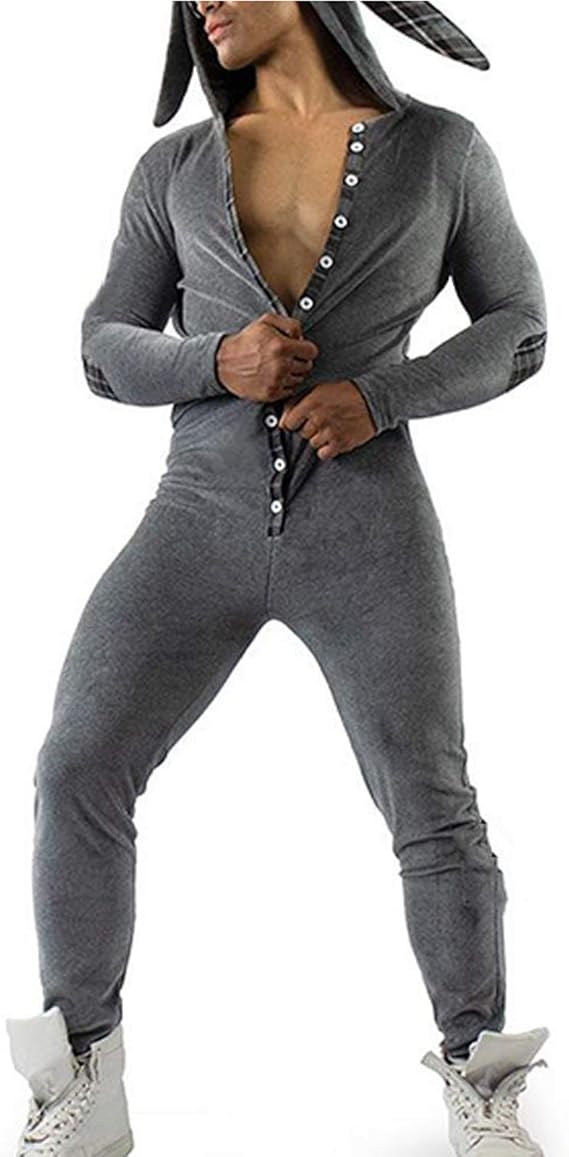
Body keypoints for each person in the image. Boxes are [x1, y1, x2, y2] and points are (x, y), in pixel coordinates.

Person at [5, 3, 551, 1154]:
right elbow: (103, 345)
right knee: (77, 760)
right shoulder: (174, 169)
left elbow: (517, 324)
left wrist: (380, 396)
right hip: (191, 525)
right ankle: (85, 1077)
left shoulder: (441, 149)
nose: (201, 4)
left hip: (367, 525)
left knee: (429, 797)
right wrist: (217, 359)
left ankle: (480, 1080)